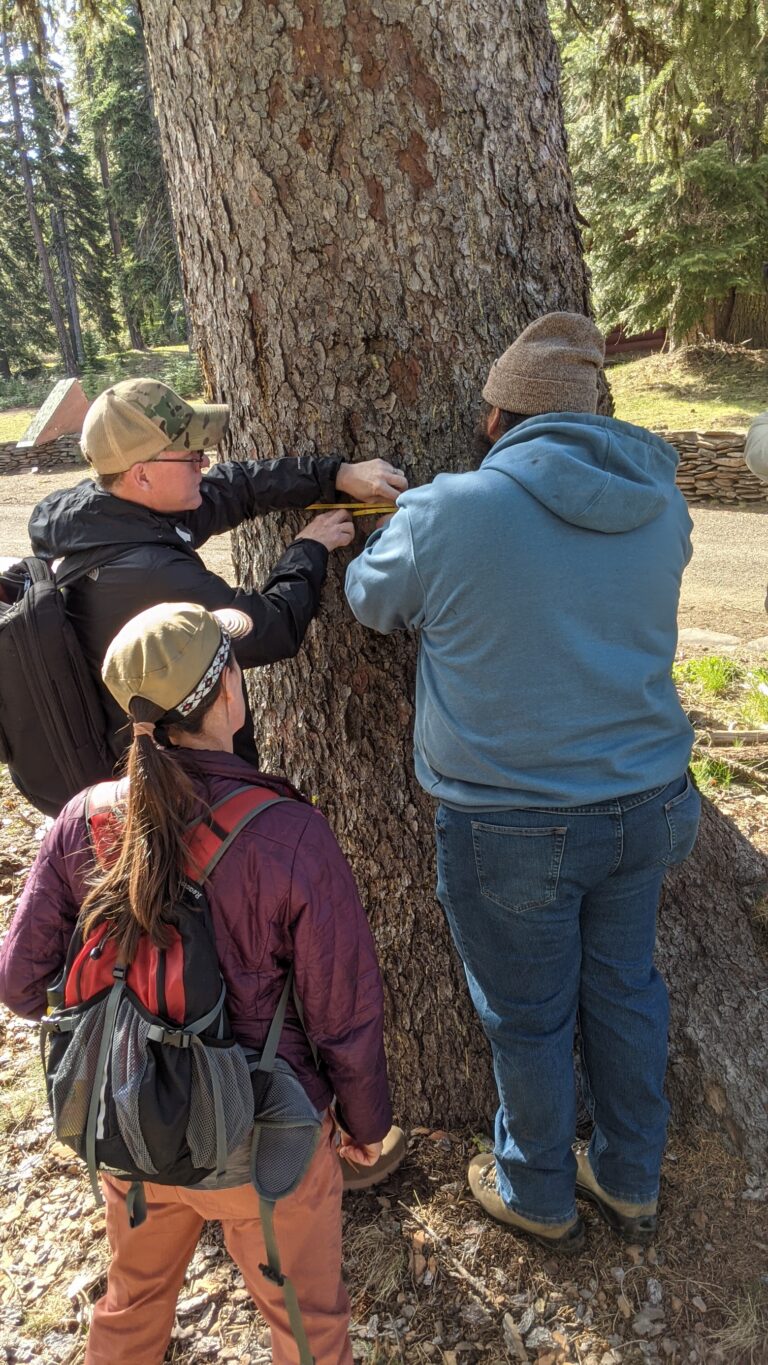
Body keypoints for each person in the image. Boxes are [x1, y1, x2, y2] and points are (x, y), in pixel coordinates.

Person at [344, 311, 701, 1251]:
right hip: (648, 803)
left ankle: (537, 1189)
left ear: (497, 417)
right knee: (626, 988)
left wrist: (405, 526)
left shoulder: (448, 509)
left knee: (529, 1016)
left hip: (511, 821)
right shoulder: (662, 502)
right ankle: (630, 1176)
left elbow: (370, 600)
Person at [0, 600, 393, 1364]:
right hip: (265, 1140)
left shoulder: (84, 819)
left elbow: (20, 983)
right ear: (226, 692)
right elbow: (342, 1010)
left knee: (131, 1304)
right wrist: (365, 1120)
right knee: (308, 1327)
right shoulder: (290, 833)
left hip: (132, 1123)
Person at [28, 376, 407, 772]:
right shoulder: (149, 575)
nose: (203, 463)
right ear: (142, 475)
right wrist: (309, 547)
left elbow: (234, 489)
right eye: (190, 455)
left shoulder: (105, 515)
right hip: (184, 782)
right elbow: (270, 628)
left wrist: (335, 476)